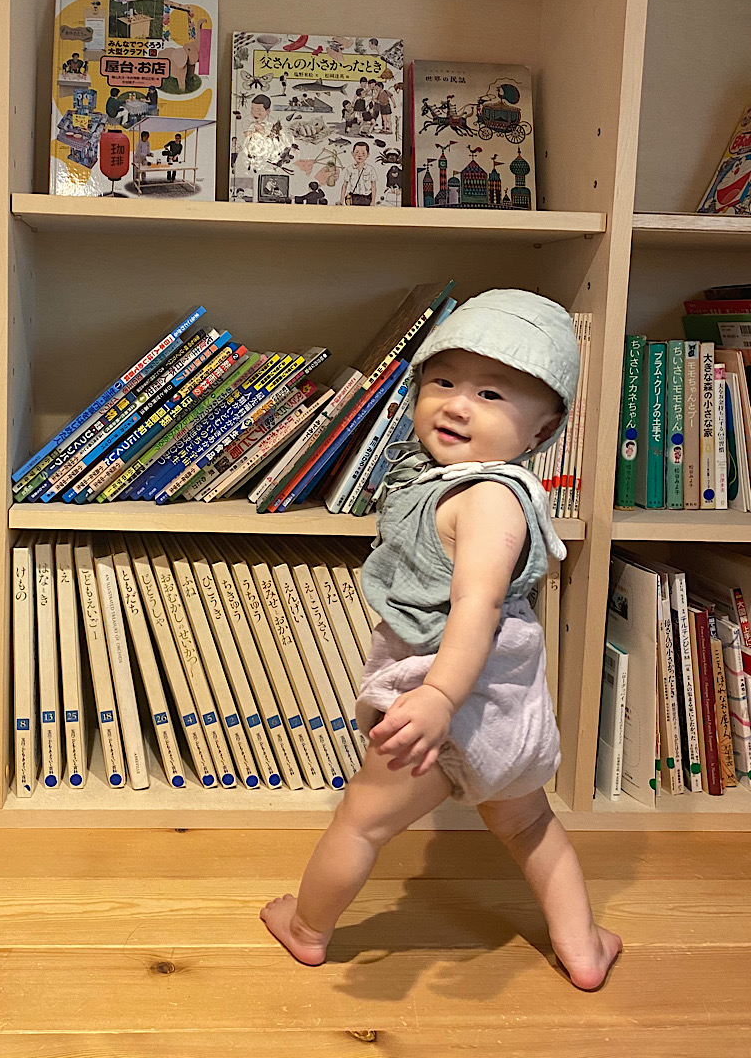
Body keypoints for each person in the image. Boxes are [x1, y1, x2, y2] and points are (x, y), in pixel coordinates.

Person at [261, 290, 623, 993]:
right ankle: (581, 947)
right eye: (442, 381)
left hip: (454, 709)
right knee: (528, 828)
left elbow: (476, 609)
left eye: (490, 392)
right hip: (511, 719)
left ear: (543, 427)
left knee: (360, 825)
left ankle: (306, 928)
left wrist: (436, 697)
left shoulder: (488, 500)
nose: (456, 404)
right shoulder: (447, 481)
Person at [339, 141, 376, 205]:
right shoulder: (349, 169)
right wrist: (341, 200)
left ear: (368, 155)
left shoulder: (370, 169)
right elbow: (345, 185)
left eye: (363, 153)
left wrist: (373, 201)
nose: (360, 155)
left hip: (366, 198)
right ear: (352, 154)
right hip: (353, 198)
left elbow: (373, 186)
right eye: (357, 152)